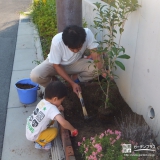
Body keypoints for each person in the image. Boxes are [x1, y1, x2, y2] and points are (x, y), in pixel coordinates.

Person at [30, 25, 105, 96]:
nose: (75, 51)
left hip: (75, 63)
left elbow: (96, 55)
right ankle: (56, 84)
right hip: (55, 64)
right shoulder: (57, 41)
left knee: (97, 68)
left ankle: (76, 78)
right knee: (35, 75)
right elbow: (57, 66)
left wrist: (103, 71)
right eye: (72, 49)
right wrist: (72, 84)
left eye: (79, 48)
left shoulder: (87, 34)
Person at [26, 81, 78, 151]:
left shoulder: (43, 101)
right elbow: (63, 123)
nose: (61, 103)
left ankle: (39, 138)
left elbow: (48, 110)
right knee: (54, 131)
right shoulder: (51, 108)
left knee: (52, 119)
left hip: (30, 129)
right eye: (61, 101)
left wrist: (57, 108)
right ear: (55, 99)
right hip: (34, 136)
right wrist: (72, 129)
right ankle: (40, 144)